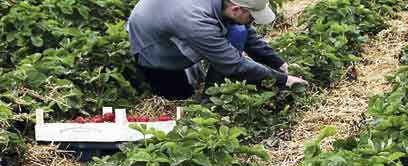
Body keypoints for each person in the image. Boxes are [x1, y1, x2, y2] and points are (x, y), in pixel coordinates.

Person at [127, 0, 307, 100]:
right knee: (179, 97)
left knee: (238, 30)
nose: (252, 21)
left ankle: (211, 90)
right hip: (155, 53)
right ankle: (210, 101)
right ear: (236, 8)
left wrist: (278, 62)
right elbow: (234, 65)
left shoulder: (225, 6)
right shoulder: (196, 21)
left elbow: (245, 31)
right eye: (252, 17)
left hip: (170, 28)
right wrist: (284, 80)